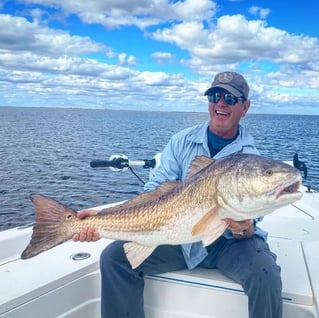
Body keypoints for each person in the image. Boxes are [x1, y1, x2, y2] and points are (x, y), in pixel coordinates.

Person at [73, 71, 283, 318]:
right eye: (215, 95)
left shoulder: (250, 158)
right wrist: (102, 217)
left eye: (231, 98)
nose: (221, 103)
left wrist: (241, 227)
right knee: (114, 258)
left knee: (265, 274)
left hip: (228, 244)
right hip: (180, 237)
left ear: (245, 107)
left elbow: (250, 226)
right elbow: (154, 191)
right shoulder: (181, 141)